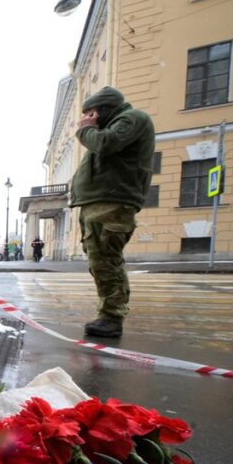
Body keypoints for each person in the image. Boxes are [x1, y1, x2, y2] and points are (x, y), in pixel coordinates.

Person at [71, 86, 155, 338]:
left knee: (106, 260)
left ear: (103, 110)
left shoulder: (132, 119)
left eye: (90, 113)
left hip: (112, 202)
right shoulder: (110, 126)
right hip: (99, 202)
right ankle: (108, 314)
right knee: (100, 260)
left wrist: (85, 129)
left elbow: (107, 144)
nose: (86, 119)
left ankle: (112, 316)